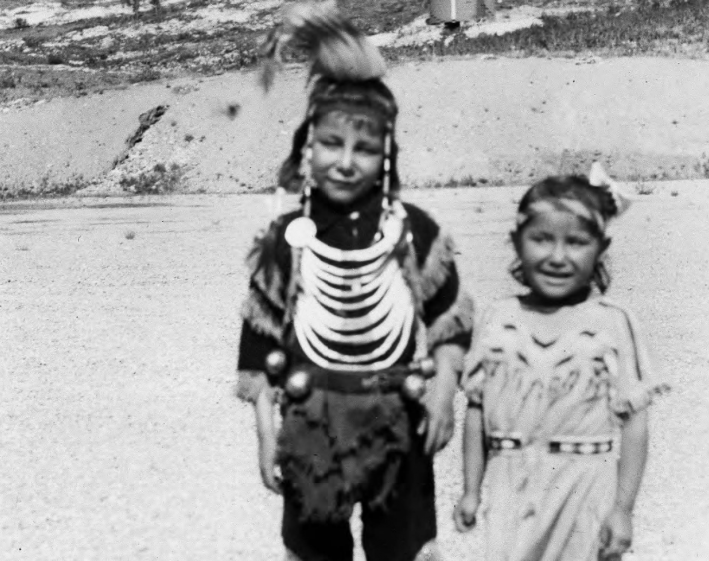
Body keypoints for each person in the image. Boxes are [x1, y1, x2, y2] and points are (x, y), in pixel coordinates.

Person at [235, 3, 474, 561]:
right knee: (315, 552)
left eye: (365, 148)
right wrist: (266, 430)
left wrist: (442, 392)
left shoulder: (413, 232)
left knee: (406, 550)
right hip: (310, 423)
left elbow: (450, 320)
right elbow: (260, 341)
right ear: (307, 147)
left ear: (386, 154)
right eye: (331, 144)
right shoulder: (285, 239)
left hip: (401, 420)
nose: (346, 162)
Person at [453, 164, 668, 560]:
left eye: (576, 242)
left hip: (585, 486)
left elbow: (635, 422)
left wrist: (622, 509)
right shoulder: (498, 320)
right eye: (541, 239)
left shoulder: (612, 323)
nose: (557, 256)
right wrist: (471, 489)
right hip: (511, 486)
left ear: (601, 248)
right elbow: (477, 412)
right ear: (516, 243)